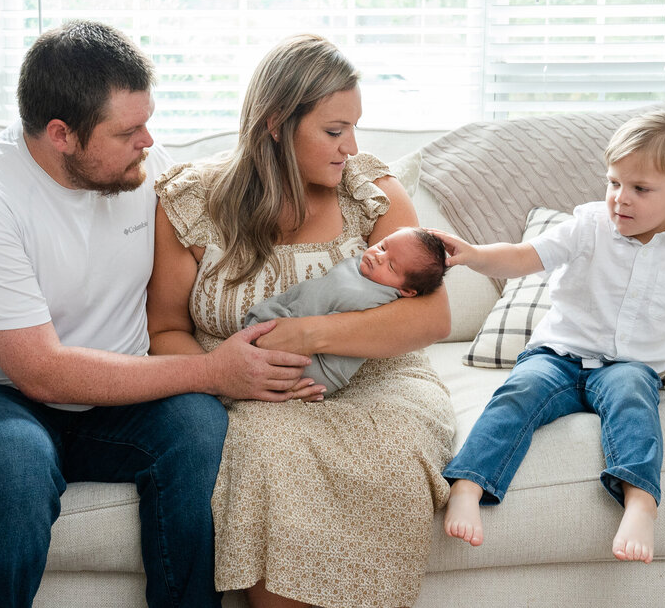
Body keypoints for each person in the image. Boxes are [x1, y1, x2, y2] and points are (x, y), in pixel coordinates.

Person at [0, 20, 320, 608]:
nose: (148, 141)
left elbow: (242, 216)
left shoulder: (141, 171)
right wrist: (213, 370)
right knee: (17, 462)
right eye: (128, 131)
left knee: (198, 425)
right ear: (61, 135)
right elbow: (41, 373)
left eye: (148, 121)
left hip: (111, 401)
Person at [147, 33, 457, 608]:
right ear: (276, 124)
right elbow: (164, 332)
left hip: (377, 377)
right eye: (334, 131)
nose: (351, 147)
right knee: (269, 443)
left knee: (388, 452)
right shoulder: (193, 201)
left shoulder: (370, 191)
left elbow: (433, 316)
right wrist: (226, 373)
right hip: (243, 384)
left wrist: (308, 334)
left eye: (354, 127)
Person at [434, 109, 665, 563]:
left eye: (640, 189)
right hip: (558, 355)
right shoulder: (588, 226)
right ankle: (469, 485)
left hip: (631, 367)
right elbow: (524, 257)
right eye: (613, 183)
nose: (620, 199)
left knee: (633, 404)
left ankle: (640, 502)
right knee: (517, 393)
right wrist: (473, 255)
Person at [244, 226, 450, 395]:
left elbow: (317, 301)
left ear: (406, 291)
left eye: (391, 266)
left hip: (320, 369)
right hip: (296, 335)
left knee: (272, 360)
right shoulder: (365, 270)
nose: (379, 257)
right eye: (382, 246)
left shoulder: (373, 297)